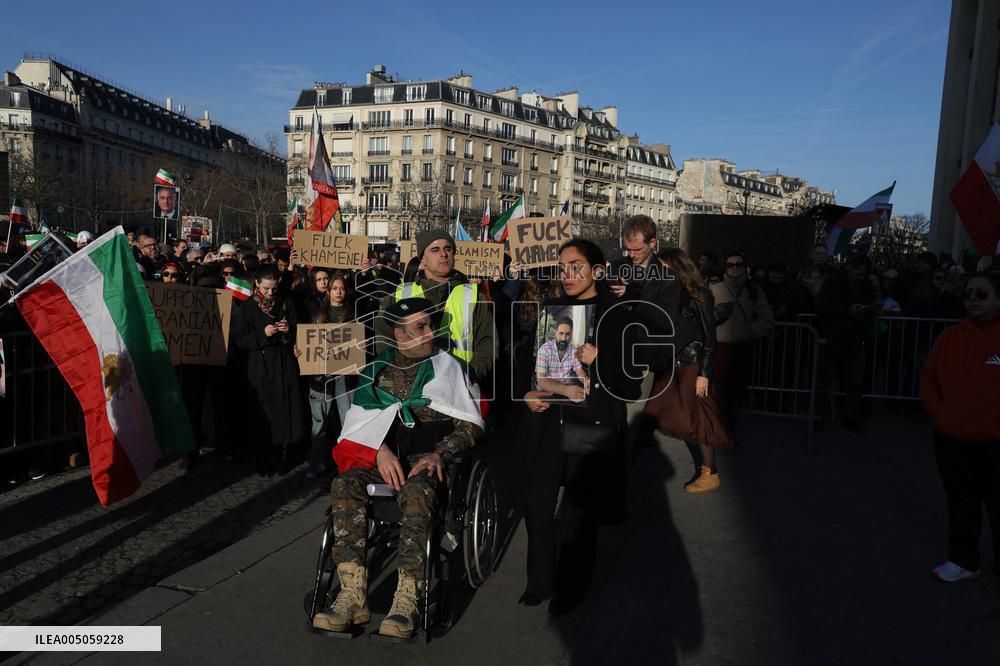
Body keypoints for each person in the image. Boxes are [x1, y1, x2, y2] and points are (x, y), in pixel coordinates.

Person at [313, 298, 484, 638]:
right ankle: (352, 593)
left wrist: (440, 453)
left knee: (418, 491)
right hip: (385, 457)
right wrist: (379, 450)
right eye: (420, 327)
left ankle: (407, 597)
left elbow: (472, 423)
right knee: (345, 484)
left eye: (429, 325)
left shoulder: (449, 368)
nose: (430, 332)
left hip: (429, 459)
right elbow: (359, 421)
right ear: (400, 335)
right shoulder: (376, 369)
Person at [515, 239, 641, 614]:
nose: (567, 274)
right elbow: (535, 366)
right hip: (548, 422)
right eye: (562, 266)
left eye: (576, 266)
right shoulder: (553, 311)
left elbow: (630, 383)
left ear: (597, 271)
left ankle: (571, 586)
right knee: (537, 506)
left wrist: (599, 360)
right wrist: (529, 393)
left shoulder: (616, 313)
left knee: (576, 514)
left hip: (590, 425)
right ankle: (539, 581)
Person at [920, 272, 1000, 582]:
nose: (972, 299)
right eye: (968, 293)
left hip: (995, 443)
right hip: (952, 439)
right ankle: (964, 561)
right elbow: (928, 376)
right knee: (961, 502)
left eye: (982, 294)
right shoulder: (950, 336)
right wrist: (939, 412)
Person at [643, 248, 733, 492]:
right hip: (673, 361)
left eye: (662, 266)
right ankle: (632, 456)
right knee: (654, 407)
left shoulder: (699, 293)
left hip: (693, 363)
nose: (659, 270)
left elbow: (709, 337)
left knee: (701, 416)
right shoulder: (668, 291)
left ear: (677, 266)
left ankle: (710, 472)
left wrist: (704, 373)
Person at [377, 230, 495, 382]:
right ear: (423, 259)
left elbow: (487, 342)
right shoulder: (399, 296)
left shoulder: (474, 296)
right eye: (435, 250)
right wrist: (400, 375)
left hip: (459, 385)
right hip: (411, 386)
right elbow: (384, 339)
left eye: (448, 249)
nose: (444, 254)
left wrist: (470, 374)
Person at [232, 264, 306, 475]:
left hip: (283, 364)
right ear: (257, 284)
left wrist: (288, 330)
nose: (270, 293)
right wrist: (263, 334)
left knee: (285, 412)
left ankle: (282, 455)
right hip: (260, 366)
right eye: (266, 289)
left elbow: (297, 328)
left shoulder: (286, 302)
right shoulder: (248, 307)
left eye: (273, 289)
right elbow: (241, 339)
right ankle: (263, 456)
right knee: (263, 412)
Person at [710, 251, 774, 431]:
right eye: (730, 265)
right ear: (725, 268)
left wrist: (750, 331)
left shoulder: (754, 291)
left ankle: (729, 427)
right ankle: (721, 430)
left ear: (744, 267)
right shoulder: (715, 289)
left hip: (744, 347)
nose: (735, 268)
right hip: (720, 347)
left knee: (738, 391)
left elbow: (766, 318)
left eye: (738, 264)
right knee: (720, 391)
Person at [304, 270, 356, 479]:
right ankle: (317, 463)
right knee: (320, 421)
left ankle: (349, 464)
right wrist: (301, 350)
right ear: (329, 292)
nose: (338, 292)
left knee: (348, 420)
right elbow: (308, 341)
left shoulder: (352, 314)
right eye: (335, 289)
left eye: (342, 288)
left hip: (345, 375)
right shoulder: (318, 315)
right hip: (322, 375)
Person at [814, 256, 877, 432]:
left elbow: (872, 309)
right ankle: (819, 415)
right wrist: (847, 311)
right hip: (832, 339)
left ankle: (851, 417)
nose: (859, 275)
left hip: (854, 340)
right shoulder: (832, 284)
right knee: (823, 381)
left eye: (862, 273)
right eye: (856, 270)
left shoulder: (866, 287)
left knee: (855, 382)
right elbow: (823, 308)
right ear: (849, 268)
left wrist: (865, 320)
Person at [535, 316, 589, 401]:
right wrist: (566, 390)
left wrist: (586, 381)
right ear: (555, 332)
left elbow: (579, 371)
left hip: (568, 392)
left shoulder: (573, 350)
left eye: (567, 334)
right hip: (548, 391)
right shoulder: (544, 349)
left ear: (570, 334)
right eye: (561, 333)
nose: (563, 338)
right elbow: (541, 380)